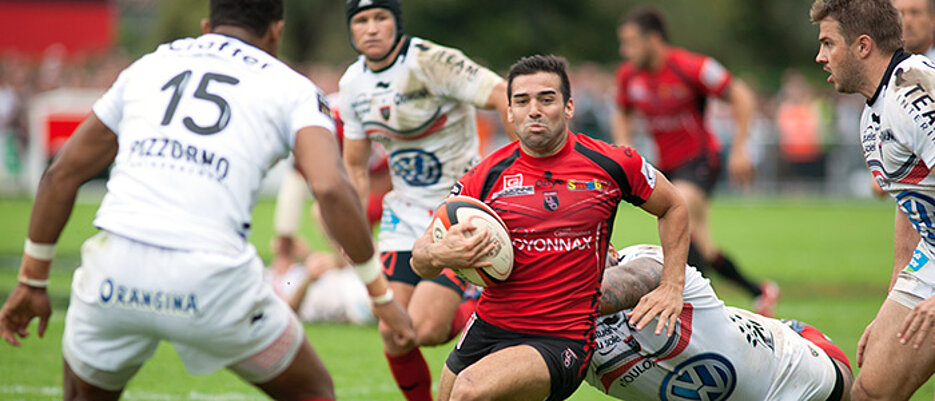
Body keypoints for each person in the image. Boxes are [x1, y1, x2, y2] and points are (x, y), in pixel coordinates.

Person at [0, 1, 415, 400]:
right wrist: (380, 297)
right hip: (213, 279)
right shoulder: (292, 87)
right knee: (313, 392)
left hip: (114, 271)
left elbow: (60, 175)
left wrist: (32, 281)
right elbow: (329, 188)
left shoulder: (148, 66)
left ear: (206, 26)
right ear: (277, 31)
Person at [411, 54, 690, 401]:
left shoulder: (612, 163)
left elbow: (674, 206)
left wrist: (672, 285)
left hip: (561, 337)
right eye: (522, 101)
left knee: (469, 392)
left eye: (547, 99)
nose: (534, 110)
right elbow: (419, 258)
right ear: (509, 112)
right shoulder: (485, 175)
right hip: (489, 324)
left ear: (569, 106)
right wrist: (440, 252)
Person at [339, 1, 516, 400]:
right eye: (361, 21)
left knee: (426, 329)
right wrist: (352, 223)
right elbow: (354, 164)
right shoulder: (352, 85)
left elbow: (502, 94)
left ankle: (487, 308)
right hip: (404, 216)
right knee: (394, 331)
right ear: (351, 30)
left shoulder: (433, 61)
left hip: (462, 209)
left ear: (396, 24)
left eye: (380, 18)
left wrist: (525, 164)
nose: (371, 29)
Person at [612, 6, 779, 316]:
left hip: (701, 160)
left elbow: (741, 95)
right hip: (667, 166)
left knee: (680, 210)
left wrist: (741, 148)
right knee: (698, 241)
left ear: (654, 39)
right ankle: (760, 291)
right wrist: (624, 143)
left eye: (631, 42)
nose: (626, 50)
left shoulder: (691, 66)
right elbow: (622, 111)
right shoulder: (628, 76)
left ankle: (694, 306)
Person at [811, 0, 935, 399]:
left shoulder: (912, 92)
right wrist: (895, 298)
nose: (820, 56)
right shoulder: (873, 113)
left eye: (829, 43)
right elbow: (909, 205)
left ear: (862, 46)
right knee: (871, 390)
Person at [587, 244, 854, 401]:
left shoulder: (648, 262)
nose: (576, 264)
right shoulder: (559, 328)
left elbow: (611, 289)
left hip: (793, 368)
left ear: (611, 249)